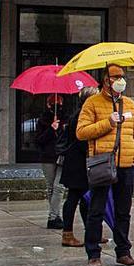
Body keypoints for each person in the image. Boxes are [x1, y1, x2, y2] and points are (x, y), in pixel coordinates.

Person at [76, 64, 134, 266]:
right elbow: (82, 132)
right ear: (105, 79)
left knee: (123, 211)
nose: (120, 80)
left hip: (126, 166)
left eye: (122, 76)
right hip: (103, 164)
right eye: (115, 76)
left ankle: (123, 251)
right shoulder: (92, 103)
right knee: (96, 210)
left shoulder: (130, 104)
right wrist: (108, 122)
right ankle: (93, 253)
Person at [57, 86, 97, 248]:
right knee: (74, 197)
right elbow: (81, 139)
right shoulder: (81, 116)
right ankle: (67, 233)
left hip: (79, 162)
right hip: (77, 163)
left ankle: (91, 232)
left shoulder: (82, 114)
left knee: (85, 198)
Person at [33, 95, 66, 230]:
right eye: (53, 103)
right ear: (48, 105)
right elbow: (39, 140)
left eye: (58, 103)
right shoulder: (43, 120)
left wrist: (61, 129)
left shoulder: (66, 118)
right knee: (51, 187)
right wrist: (51, 129)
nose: (56, 105)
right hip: (48, 156)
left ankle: (52, 217)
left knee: (59, 187)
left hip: (62, 156)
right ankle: (55, 215)